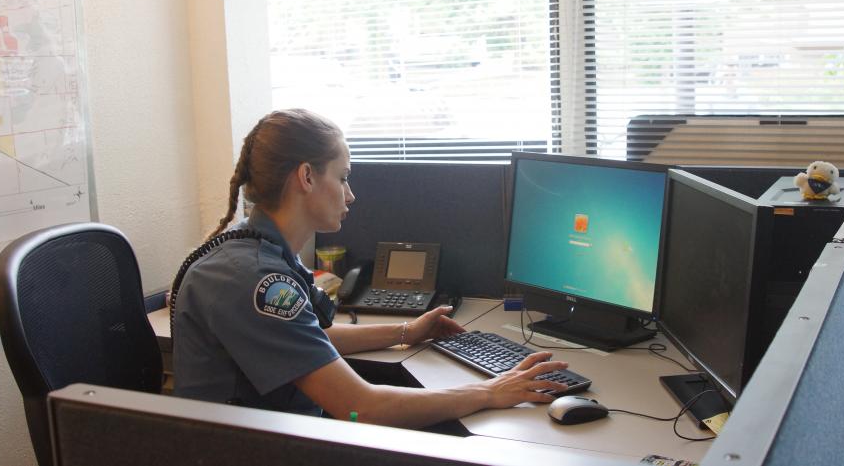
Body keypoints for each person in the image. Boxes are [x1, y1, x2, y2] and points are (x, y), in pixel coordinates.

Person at [172, 108, 567, 428]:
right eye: (342, 177)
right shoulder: (256, 280)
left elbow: (305, 339)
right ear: (306, 177)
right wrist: (490, 392)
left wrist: (406, 331)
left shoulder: (256, 251)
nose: (351, 194)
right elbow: (362, 407)